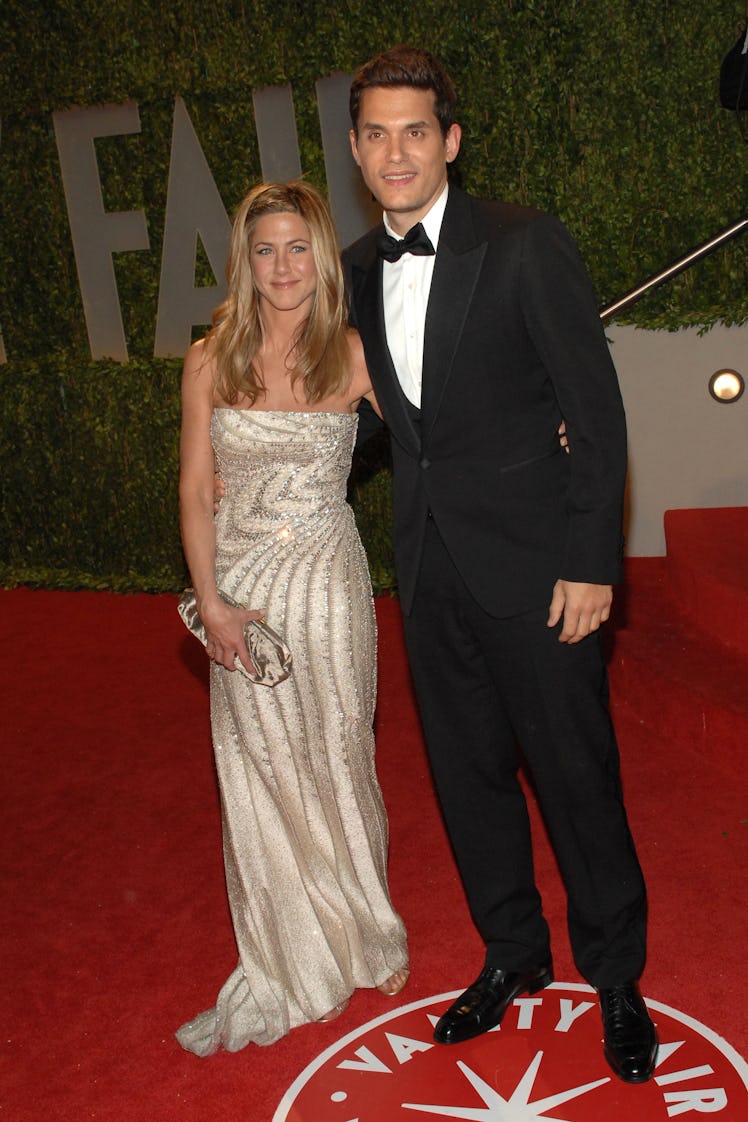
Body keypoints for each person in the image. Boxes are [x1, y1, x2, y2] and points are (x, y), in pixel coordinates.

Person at [342, 45, 657, 1083]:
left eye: (415, 131)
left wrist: (590, 562)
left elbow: (594, 415)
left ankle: (614, 977)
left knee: (576, 778)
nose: (397, 152)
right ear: (356, 149)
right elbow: (400, 425)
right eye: (377, 134)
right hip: (430, 574)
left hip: (538, 573)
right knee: (468, 780)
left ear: (451, 141)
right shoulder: (352, 268)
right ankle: (513, 955)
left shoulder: (525, 244)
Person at [176, 180, 409, 1056]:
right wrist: (212, 604)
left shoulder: (353, 354)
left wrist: (545, 435)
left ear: (322, 256)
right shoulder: (210, 359)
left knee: (339, 754)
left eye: (298, 247)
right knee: (258, 763)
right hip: (242, 590)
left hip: (329, 585)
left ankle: (367, 929)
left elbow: (441, 436)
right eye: (265, 249)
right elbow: (197, 490)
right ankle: (288, 952)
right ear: (247, 258)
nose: (282, 266)